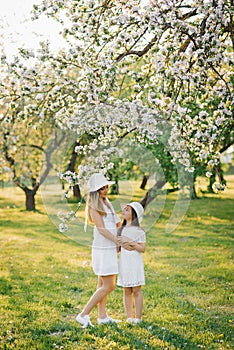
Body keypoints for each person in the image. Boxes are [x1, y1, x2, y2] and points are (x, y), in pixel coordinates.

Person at [76, 173, 121, 328]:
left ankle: (102, 316)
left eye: (107, 187)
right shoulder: (95, 207)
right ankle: (83, 314)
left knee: (102, 284)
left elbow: (116, 223)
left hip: (109, 246)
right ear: (96, 191)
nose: (106, 190)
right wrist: (117, 241)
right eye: (102, 188)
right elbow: (101, 229)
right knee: (109, 286)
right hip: (103, 247)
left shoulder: (107, 203)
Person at [117, 202, 146, 324]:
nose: (123, 211)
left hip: (135, 262)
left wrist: (130, 242)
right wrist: (120, 244)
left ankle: (138, 318)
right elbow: (118, 249)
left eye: (127, 210)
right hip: (124, 262)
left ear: (134, 215)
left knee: (136, 290)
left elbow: (142, 248)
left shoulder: (139, 231)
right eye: (124, 209)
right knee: (126, 290)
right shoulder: (121, 229)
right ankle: (129, 316)